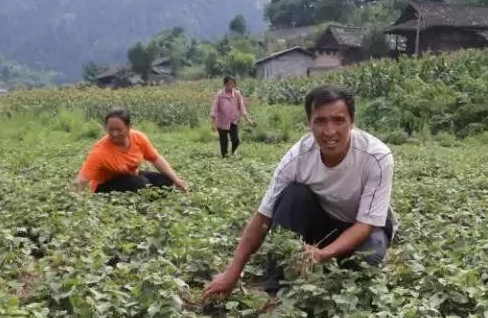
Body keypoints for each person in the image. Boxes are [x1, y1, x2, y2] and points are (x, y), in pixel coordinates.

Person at [202, 85, 396, 301]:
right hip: (321, 223)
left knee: (367, 260)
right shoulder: (297, 158)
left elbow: (365, 224)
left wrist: (324, 253)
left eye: (339, 120)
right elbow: (262, 217)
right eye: (320, 121)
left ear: (352, 121)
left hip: (362, 227)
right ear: (309, 123)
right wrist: (232, 273)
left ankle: (329, 268)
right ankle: (275, 290)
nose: (330, 131)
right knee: (294, 194)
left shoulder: (376, 156)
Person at [72, 108, 190, 194]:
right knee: (140, 184)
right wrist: (71, 198)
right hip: (104, 186)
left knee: (166, 181)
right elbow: (82, 179)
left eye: (119, 130)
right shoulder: (99, 151)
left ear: (128, 128)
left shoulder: (138, 138)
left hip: (131, 176)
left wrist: (176, 179)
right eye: (110, 130)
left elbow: (156, 159)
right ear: (105, 128)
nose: (114, 134)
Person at [210, 75, 255, 158]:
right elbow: (214, 108)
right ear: (224, 84)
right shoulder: (220, 95)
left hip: (233, 121)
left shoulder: (237, 94)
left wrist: (248, 119)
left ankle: (233, 152)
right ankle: (225, 159)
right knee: (224, 144)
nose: (230, 86)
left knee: (236, 140)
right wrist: (213, 123)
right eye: (228, 84)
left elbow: (242, 107)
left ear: (234, 85)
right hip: (222, 122)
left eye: (232, 84)